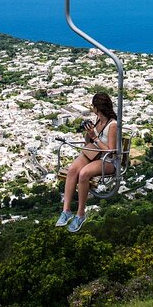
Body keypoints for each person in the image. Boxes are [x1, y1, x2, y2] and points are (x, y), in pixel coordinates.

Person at [55, 92, 118, 232]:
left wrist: (95, 138)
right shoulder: (97, 120)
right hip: (94, 152)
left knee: (83, 174)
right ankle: (66, 210)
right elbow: (88, 141)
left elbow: (111, 151)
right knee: (72, 170)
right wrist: (88, 133)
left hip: (107, 160)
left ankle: (80, 214)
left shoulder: (112, 125)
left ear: (97, 107)